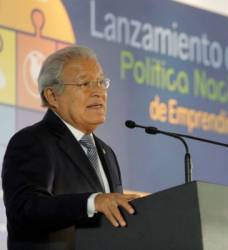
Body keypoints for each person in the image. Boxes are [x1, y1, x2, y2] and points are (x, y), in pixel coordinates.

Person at [1, 46, 138, 250]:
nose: (98, 92)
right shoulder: (32, 141)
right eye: (84, 83)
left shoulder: (107, 153)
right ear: (52, 96)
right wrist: (92, 203)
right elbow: (25, 209)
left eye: (101, 82)